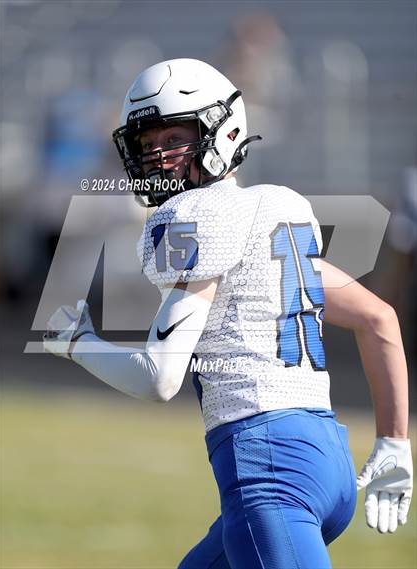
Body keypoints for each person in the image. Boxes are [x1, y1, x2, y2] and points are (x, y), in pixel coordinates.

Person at [44, 59, 413, 569]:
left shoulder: (198, 218)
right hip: (325, 459)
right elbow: (378, 319)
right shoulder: (275, 209)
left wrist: (77, 343)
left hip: (270, 471)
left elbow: (158, 377)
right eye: (148, 143)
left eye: (174, 138)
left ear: (225, 132)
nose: (158, 157)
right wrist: (395, 443)